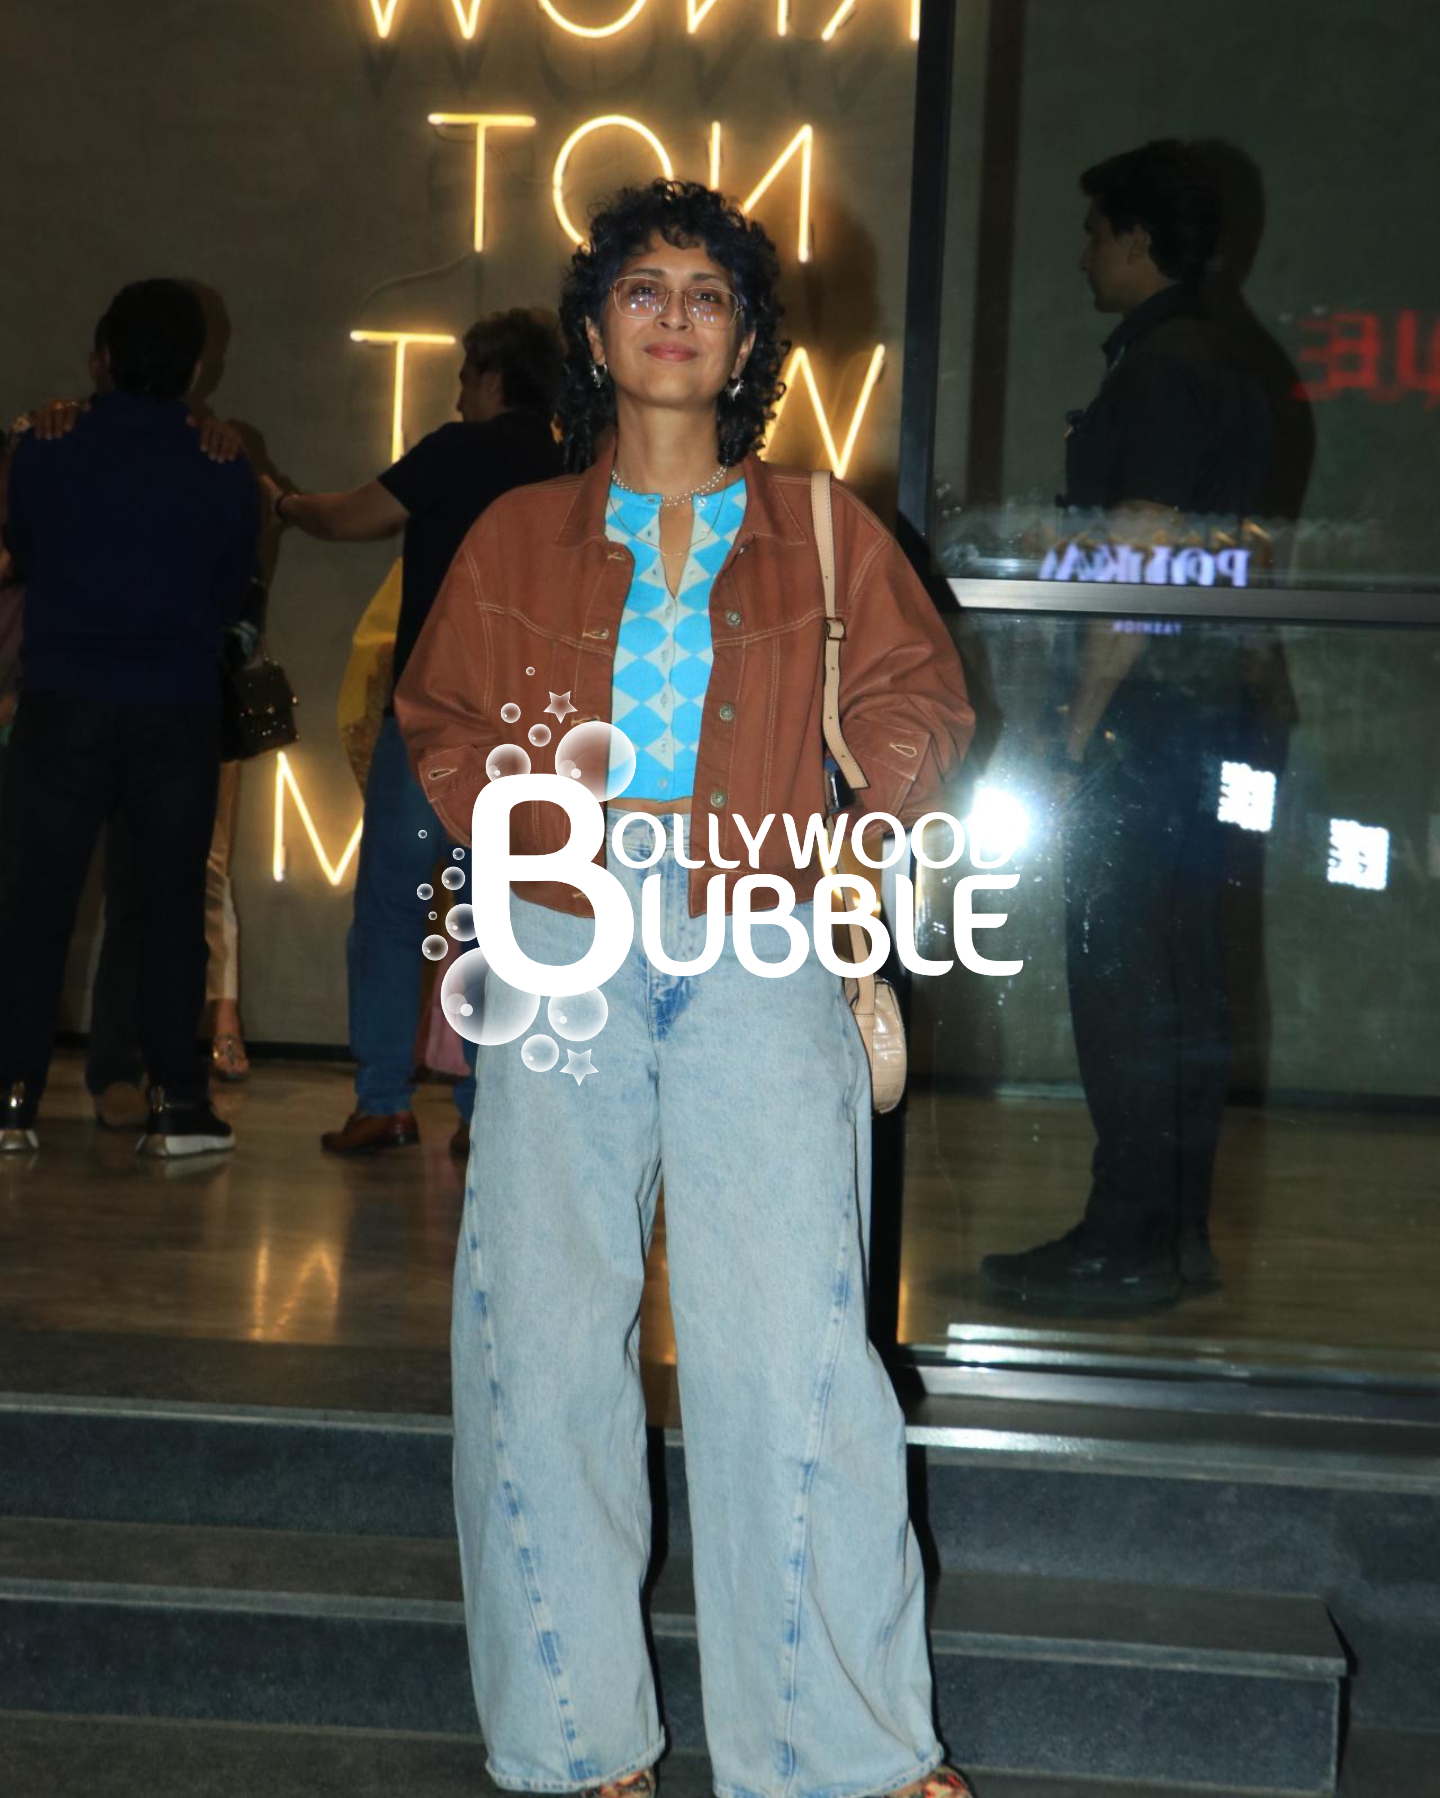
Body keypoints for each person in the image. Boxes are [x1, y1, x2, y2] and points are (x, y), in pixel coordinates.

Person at [397, 181, 978, 1798]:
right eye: (641, 287)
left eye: (706, 293)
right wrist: (528, 832)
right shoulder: (519, 528)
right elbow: (437, 709)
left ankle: (840, 1742)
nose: (671, 312)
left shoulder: (819, 525)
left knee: (792, 1335)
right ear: (594, 331)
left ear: (742, 343)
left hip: (764, 923)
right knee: (541, 1332)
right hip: (572, 937)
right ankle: (577, 1733)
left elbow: (918, 694)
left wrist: (871, 804)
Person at [981, 140, 1272, 1310]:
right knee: (1187, 975)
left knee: (1124, 980)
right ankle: (1171, 1235)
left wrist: (1075, 723)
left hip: (1145, 724)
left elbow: (1138, 556)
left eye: (1097, 231)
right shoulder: (1237, 364)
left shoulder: (1158, 370)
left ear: (1139, 241)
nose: (1085, 253)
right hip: (1213, 717)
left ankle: (1125, 1239)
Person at [260, 308, 563, 1159]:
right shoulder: (571, 463)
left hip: (434, 719)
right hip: (529, 729)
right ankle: (484, 1104)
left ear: (494, 378)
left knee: (394, 905)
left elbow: (352, 516)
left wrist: (282, 502)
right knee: (495, 916)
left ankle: (385, 1098)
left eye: (466, 376)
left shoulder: (455, 452)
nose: (459, 392)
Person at [0, 279, 259, 1155]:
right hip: (174, 709)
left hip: (62, 698)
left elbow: (26, 552)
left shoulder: (42, 447)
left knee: (36, 905)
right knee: (167, 910)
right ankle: (177, 1104)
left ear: (100, 356)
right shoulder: (226, 469)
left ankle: (11, 1097)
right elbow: (229, 594)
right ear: (195, 366)